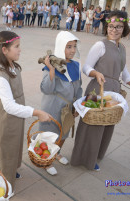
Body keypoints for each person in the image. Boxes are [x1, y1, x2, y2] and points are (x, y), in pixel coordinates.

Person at [71, 11, 130, 171]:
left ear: (124, 28)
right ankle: (84, 158)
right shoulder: (100, 45)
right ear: (106, 27)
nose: (114, 30)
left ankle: (95, 154)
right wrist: (96, 73)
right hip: (97, 89)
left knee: (107, 123)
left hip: (114, 90)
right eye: (111, 26)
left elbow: (123, 71)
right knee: (93, 125)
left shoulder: (122, 48)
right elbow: (86, 67)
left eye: (119, 27)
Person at [0, 31, 52, 188]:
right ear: (4, 50)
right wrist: (36, 112)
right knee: (4, 152)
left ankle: (10, 171)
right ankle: (3, 185)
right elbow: (9, 106)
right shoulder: (0, 76)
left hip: (15, 118)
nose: (20, 50)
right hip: (4, 121)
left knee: (14, 147)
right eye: (16, 47)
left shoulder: (13, 66)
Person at [40, 31, 82, 175]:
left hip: (68, 108)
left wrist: (78, 104)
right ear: (60, 47)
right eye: (69, 47)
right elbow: (46, 89)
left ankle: (57, 153)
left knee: (63, 134)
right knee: (50, 135)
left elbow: (79, 87)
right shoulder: (52, 65)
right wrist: (51, 70)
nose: (73, 50)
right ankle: (46, 161)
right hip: (52, 106)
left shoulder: (76, 65)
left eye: (74, 46)